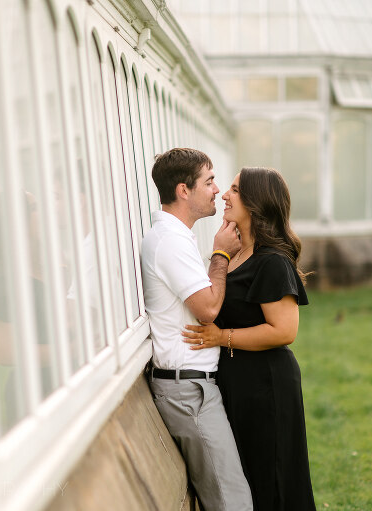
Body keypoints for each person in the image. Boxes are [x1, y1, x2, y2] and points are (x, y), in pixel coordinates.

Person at [182, 167, 316, 511]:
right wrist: (220, 254)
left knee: (270, 479)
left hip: (266, 385)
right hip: (239, 383)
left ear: (256, 203)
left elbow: (285, 330)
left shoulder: (272, 261)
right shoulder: (238, 252)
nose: (225, 195)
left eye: (235, 190)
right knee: (247, 479)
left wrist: (219, 336)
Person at [141, 148, 253, 511]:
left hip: (191, 386)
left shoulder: (176, 237)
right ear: (183, 190)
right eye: (208, 181)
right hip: (188, 391)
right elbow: (208, 309)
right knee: (232, 502)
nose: (217, 190)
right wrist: (220, 254)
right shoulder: (171, 242)